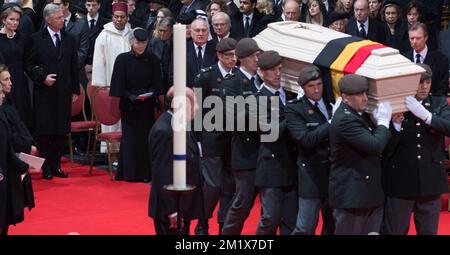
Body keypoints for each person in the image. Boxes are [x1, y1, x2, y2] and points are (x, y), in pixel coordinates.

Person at [382, 64, 450, 235]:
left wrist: (426, 116)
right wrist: (396, 126)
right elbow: (385, 146)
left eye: (427, 82)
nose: (424, 87)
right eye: (420, 83)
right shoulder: (397, 104)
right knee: (395, 230)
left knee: (428, 231)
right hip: (401, 182)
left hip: (430, 181)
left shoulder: (438, 103)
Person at [329, 74, 392, 235]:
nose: (365, 98)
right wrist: (384, 122)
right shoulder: (345, 119)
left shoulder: (357, 115)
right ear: (345, 98)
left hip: (366, 194)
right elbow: (375, 145)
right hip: (352, 197)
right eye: (359, 94)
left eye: (365, 93)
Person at [27, 3, 79, 180]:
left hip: (64, 91)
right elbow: (30, 65)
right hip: (44, 92)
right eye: (58, 17)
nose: (63, 20)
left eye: (62, 16)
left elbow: (74, 66)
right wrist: (42, 78)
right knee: (45, 130)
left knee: (61, 130)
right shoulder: (35, 39)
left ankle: (56, 164)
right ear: (48, 20)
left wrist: (75, 90)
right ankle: (46, 166)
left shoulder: (70, 39)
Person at [193, 38, 238, 235]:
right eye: (229, 56)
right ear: (219, 56)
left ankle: (224, 224)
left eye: (235, 55)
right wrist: (197, 139)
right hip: (211, 137)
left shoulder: (240, 75)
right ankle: (203, 220)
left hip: (234, 139)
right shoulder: (206, 76)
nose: (233, 60)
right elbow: (196, 110)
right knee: (213, 184)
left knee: (230, 185)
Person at [285, 65, 334, 235]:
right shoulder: (294, 108)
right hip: (311, 175)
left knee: (332, 226)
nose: (316, 89)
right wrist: (330, 123)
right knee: (305, 227)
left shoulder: (330, 103)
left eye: (319, 84)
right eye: (311, 86)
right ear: (303, 88)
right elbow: (306, 140)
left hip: (333, 173)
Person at [148, 86, 204, 235]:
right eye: (194, 103)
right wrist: (172, 211)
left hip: (183, 204)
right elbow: (163, 173)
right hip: (171, 210)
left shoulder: (180, 124)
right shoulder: (164, 131)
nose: (197, 108)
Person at [253, 50, 297, 235]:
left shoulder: (290, 95)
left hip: (292, 166)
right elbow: (272, 132)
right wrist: (293, 113)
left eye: (279, 69)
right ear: (262, 73)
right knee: (270, 218)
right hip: (271, 169)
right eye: (272, 70)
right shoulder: (257, 99)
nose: (277, 73)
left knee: (290, 220)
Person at [109, 28, 162, 182]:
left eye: (144, 43)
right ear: (131, 42)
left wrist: (150, 94)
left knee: (145, 140)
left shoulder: (152, 58)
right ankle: (129, 173)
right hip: (129, 106)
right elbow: (118, 85)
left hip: (146, 106)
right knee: (131, 140)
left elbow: (157, 83)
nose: (140, 46)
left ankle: (146, 173)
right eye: (138, 43)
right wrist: (131, 96)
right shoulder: (122, 59)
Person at [221, 38, 262, 235]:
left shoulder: (262, 80)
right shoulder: (232, 83)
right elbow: (231, 120)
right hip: (245, 152)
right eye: (254, 56)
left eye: (258, 55)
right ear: (242, 59)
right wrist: (256, 100)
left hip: (265, 150)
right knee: (243, 203)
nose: (257, 59)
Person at [92, 2, 131, 153]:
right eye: (116, 17)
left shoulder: (131, 34)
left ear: (127, 18)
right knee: (112, 118)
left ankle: (126, 151)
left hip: (128, 86)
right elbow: (98, 62)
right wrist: (102, 86)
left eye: (122, 17)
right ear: (112, 17)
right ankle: (111, 152)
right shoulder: (104, 35)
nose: (119, 20)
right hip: (109, 83)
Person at [0, 73, 31, 235]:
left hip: (9, 168)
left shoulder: (7, 108)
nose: (1, 96)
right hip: (4, 171)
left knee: (6, 214)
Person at [0, 4, 33, 129]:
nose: (15, 23)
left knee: (22, 112)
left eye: (17, 20)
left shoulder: (22, 38)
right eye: (11, 19)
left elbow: (28, 62)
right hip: (3, 81)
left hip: (20, 80)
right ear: (4, 20)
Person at [403, 22, 449, 97]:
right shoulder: (404, 59)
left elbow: (442, 89)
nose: (414, 41)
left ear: (426, 37)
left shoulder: (441, 60)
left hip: (432, 104)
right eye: (412, 38)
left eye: (418, 38)